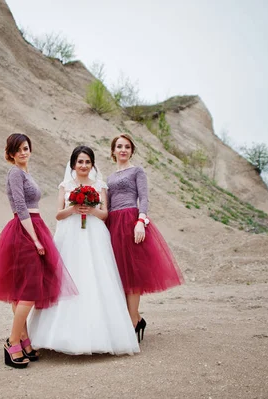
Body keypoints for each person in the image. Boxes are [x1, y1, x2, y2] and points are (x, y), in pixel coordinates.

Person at [28, 146, 140, 355]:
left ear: (92, 165)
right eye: (80, 162)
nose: (84, 166)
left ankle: (102, 335)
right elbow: (58, 215)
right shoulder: (65, 185)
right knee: (68, 277)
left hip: (95, 235)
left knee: (96, 277)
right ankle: (59, 335)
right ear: (73, 164)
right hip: (69, 235)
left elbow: (105, 214)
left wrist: (91, 209)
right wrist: (73, 208)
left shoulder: (100, 185)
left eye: (88, 162)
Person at [0, 133, 77, 368]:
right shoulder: (15, 173)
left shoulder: (25, 173)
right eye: (19, 150)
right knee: (29, 289)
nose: (23, 152)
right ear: (11, 154)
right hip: (24, 231)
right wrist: (35, 239)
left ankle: (24, 339)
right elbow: (21, 207)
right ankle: (12, 340)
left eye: (26, 148)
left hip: (34, 227)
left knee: (23, 289)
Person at [105, 134, 184, 343]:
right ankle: (137, 319)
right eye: (119, 146)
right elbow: (108, 204)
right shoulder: (109, 178)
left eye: (127, 147)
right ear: (113, 151)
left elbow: (144, 197)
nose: (123, 150)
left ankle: (132, 322)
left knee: (132, 275)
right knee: (120, 275)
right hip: (114, 225)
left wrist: (141, 221)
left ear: (132, 150)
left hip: (131, 221)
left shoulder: (137, 171)